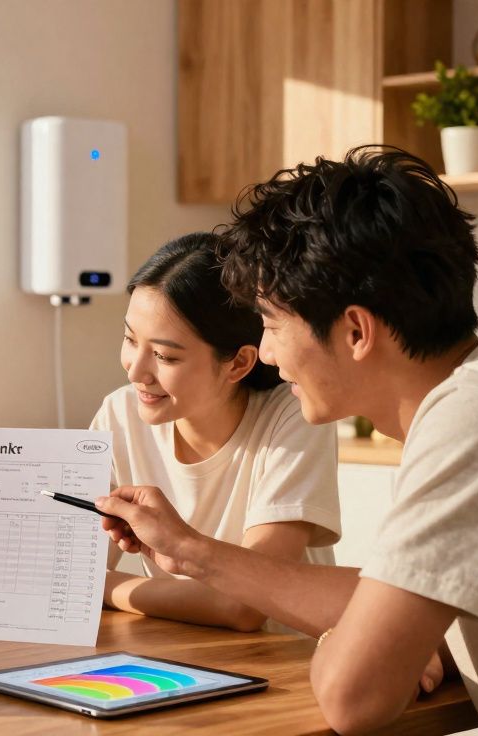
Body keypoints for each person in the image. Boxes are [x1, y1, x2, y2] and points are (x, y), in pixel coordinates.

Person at [97, 146, 478, 734]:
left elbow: (352, 700)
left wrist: (348, 639)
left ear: (354, 330)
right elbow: (402, 594)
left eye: (270, 325)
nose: (266, 353)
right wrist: (191, 553)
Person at [92, 233, 340, 632]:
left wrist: (105, 588)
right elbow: (70, 575)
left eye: (164, 355)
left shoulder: (292, 418)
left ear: (239, 363)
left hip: (282, 668)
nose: (135, 371)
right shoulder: (119, 414)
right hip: (175, 658)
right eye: (129, 339)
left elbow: (243, 607)